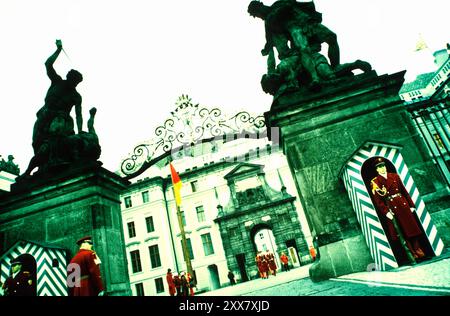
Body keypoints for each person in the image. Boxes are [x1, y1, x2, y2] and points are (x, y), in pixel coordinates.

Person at [20, 39, 84, 178]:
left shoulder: (76, 96)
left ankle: (56, 160)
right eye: (74, 81)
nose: (75, 84)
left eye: (77, 82)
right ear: (69, 77)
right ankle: (43, 165)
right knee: (36, 142)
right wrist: (58, 50)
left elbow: (79, 115)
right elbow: (48, 64)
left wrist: (80, 130)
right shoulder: (57, 81)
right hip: (44, 115)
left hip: (61, 119)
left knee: (56, 137)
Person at [248, 0, 340, 88]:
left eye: (257, 13)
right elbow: (270, 41)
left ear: (260, 7)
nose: (259, 16)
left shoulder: (277, 5)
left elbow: (289, 5)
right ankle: (314, 77)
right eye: (257, 15)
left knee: (332, 37)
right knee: (304, 49)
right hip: (295, 30)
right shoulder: (269, 20)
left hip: (308, 23)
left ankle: (336, 67)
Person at [370, 157, 427, 260]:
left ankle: (418, 249)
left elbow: (404, 191)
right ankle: (412, 253)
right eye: (379, 167)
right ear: (377, 170)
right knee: (402, 232)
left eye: (383, 166)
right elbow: (378, 201)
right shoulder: (375, 182)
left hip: (403, 205)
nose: (382, 168)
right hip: (392, 208)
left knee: (412, 228)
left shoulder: (395, 176)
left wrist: (411, 205)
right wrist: (386, 212)